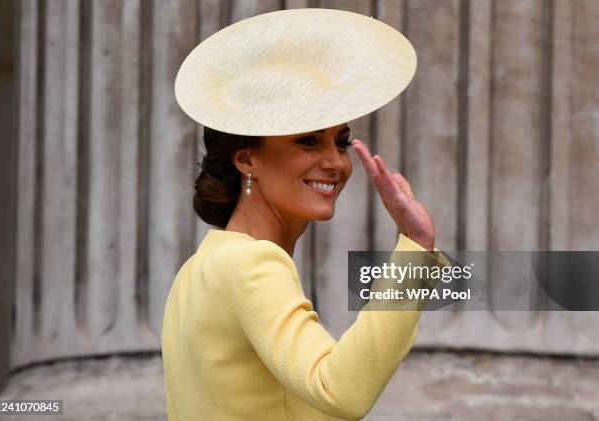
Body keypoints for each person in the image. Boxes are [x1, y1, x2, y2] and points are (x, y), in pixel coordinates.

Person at [162, 8, 448, 420]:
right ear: (247, 159)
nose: (335, 162)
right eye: (309, 141)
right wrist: (416, 249)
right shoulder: (253, 263)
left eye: (341, 142)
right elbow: (339, 391)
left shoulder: (196, 272)